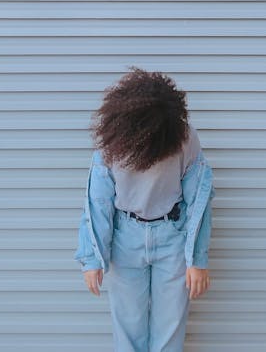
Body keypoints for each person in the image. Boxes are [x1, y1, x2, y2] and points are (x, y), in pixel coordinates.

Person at [75, 66, 215, 352]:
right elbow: (97, 201)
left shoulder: (184, 138)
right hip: (126, 238)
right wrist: (92, 258)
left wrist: (196, 259)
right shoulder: (112, 144)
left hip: (171, 237)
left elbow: (200, 200)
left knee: (170, 330)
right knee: (128, 330)